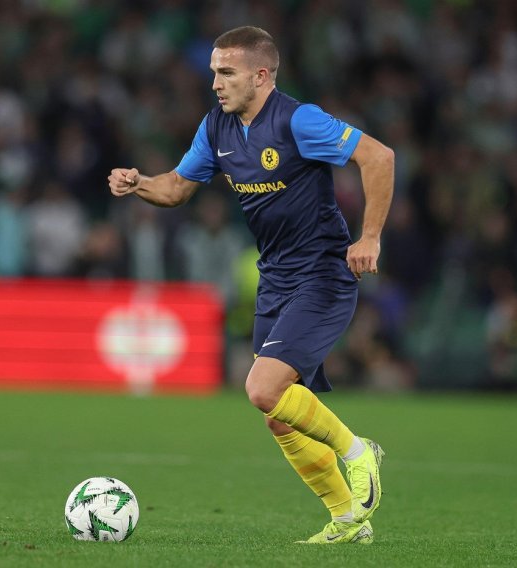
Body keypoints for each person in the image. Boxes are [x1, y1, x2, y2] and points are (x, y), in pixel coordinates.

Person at [108, 26, 394, 545]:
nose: (215, 83)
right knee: (279, 417)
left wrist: (369, 236)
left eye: (227, 73)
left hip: (322, 273)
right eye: (213, 72)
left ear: (261, 76)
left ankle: (359, 452)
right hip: (276, 278)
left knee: (262, 388)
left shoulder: (298, 120)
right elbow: (176, 189)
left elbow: (379, 157)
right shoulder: (216, 127)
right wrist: (140, 183)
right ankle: (348, 520)